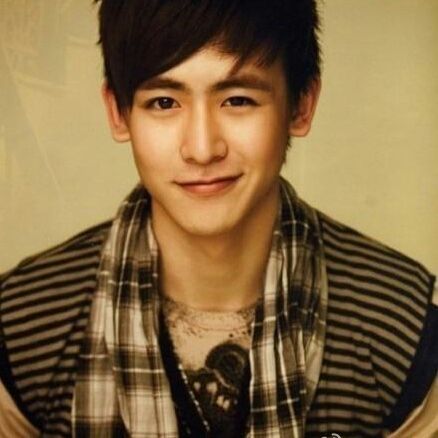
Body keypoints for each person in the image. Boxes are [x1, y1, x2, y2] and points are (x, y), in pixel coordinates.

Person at [0, 1, 436, 437]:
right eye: (164, 102)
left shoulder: (404, 331)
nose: (202, 148)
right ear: (118, 113)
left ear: (301, 104)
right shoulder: (24, 330)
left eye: (238, 100)